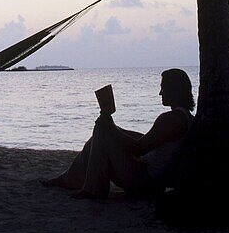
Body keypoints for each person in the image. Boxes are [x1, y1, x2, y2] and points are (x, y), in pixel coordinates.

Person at [41, 68, 195, 199]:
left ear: (174, 89)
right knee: (101, 135)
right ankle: (71, 180)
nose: (160, 93)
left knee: (102, 131)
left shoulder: (170, 120)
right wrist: (113, 128)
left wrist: (111, 128)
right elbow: (150, 144)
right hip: (152, 180)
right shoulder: (185, 117)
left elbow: (138, 149)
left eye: (164, 87)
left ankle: (91, 188)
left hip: (145, 184)